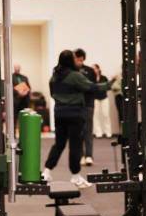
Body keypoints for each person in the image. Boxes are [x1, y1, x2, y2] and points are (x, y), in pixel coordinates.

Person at [43, 50, 110, 188]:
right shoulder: (75, 76)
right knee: (75, 145)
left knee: (59, 144)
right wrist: (111, 84)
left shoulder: (54, 77)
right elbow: (93, 88)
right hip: (75, 114)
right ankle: (75, 177)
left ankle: (46, 172)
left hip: (59, 114)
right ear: (70, 61)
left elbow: (52, 94)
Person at [74, 48, 98, 166]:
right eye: (76, 59)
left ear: (83, 59)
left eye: (80, 59)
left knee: (88, 131)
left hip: (88, 104)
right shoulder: (71, 71)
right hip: (75, 105)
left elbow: (93, 87)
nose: (78, 61)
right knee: (78, 131)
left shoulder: (90, 71)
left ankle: (89, 155)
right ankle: (80, 155)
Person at [92, 63, 113, 139]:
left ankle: (108, 132)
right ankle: (98, 133)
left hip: (104, 98)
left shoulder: (104, 78)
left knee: (106, 115)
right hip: (95, 98)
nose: (94, 70)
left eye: (95, 68)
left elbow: (108, 87)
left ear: (98, 69)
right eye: (92, 69)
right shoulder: (91, 78)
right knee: (95, 116)